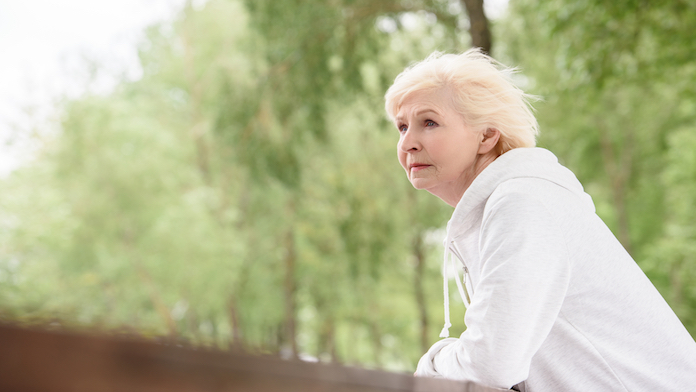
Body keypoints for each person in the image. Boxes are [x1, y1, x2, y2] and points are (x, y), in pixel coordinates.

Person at [384, 48, 696, 391]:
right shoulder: (508, 205)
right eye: (401, 127)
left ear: (487, 136)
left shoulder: (523, 203)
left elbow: (490, 364)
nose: (408, 143)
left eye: (428, 122)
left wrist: (434, 361)